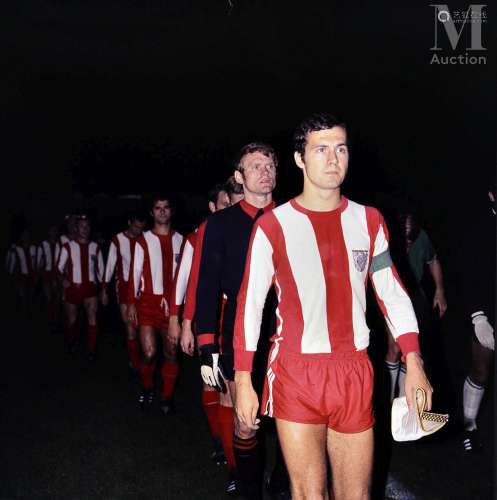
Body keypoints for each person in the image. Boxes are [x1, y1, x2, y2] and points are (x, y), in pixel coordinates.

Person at [233, 113, 433, 500]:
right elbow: (249, 305)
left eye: (340, 148)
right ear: (299, 159)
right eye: (321, 149)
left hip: (354, 371)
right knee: (309, 495)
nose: (333, 158)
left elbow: (391, 293)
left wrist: (414, 361)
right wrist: (243, 380)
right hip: (296, 372)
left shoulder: (369, 220)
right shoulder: (273, 225)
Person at [196, 143, 290, 499]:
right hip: (239, 335)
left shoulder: (294, 218)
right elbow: (207, 287)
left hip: (286, 335)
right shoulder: (220, 224)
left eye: (270, 164)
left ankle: (281, 480)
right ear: (239, 177)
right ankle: (250, 489)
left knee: (288, 422)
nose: (265, 171)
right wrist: (208, 347)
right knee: (246, 422)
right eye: (255, 165)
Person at [169, 183, 230, 467]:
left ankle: (234, 448)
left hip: (236, 323)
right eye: (224, 202)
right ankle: (218, 439)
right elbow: (186, 282)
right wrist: (181, 321)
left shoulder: (246, 233)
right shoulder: (196, 238)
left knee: (231, 388)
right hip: (208, 321)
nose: (231, 207)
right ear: (212, 207)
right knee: (211, 383)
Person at [127, 194, 183, 415]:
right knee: (149, 352)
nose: (162, 211)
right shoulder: (143, 240)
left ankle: (167, 397)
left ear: (171, 211)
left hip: (173, 307)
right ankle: (148, 387)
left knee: (171, 352)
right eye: (157, 208)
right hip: (148, 304)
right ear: (152, 212)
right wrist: (131, 304)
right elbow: (134, 274)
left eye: (166, 207)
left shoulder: (181, 240)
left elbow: (186, 275)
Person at [384, 210, 448, 401]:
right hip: (391, 294)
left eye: (412, 241)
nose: (408, 245)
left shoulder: (422, 238)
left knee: (411, 351)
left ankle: (404, 400)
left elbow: (433, 259)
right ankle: (389, 398)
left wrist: (440, 290)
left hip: (414, 296)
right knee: (394, 348)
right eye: (405, 241)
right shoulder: (385, 238)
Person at [460, 185, 495, 452]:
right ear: (491, 195)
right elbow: (470, 276)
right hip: (486, 315)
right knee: (481, 370)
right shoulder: (481, 231)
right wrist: (478, 317)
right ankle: (468, 425)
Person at [100, 212, 147, 372]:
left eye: (141, 228)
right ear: (129, 222)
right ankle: (134, 362)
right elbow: (110, 265)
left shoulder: (146, 238)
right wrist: (104, 289)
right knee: (129, 325)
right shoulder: (117, 240)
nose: (138, 230)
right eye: (135, 227)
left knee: (142, 326)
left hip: (143, 289)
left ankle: (143, 355)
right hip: (125, 287)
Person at [57, 216, 104, 360]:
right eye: (82, 226)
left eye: (87, 226)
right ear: (76, 228)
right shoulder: (68, 247)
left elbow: (101, 271)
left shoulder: (95, 247)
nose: (85, 229)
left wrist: (103, 290)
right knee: (72, 320)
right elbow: (58, 268)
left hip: (90, 289)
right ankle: (71, 343)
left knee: (92, 318)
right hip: (73, 288)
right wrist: (63, 280)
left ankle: (91, 350)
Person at [37, 225, 62, 332]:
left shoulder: (59, 244)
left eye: (55, 230)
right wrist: (41, 274)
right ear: (48, 232)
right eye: (51, 230)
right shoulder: (43, 244)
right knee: (49, 298)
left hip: (56, 274)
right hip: (47, 274)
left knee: (57, 298)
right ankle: (50, 321)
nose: (53, 232)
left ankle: (56, 321)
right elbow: (39, 262)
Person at [8, 229, 38, 313]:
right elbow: (13, 262)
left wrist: (37, 275)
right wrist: (11, 275)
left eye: (27, 235)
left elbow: (37, 262)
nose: (26, 237)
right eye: (24, 235)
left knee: (31, 296)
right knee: (23, 296)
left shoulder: (34, 247)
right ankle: (23, 314)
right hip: (21, 275)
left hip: (32, 275)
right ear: (21, 237)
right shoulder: (17, 249)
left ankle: (31, 311)